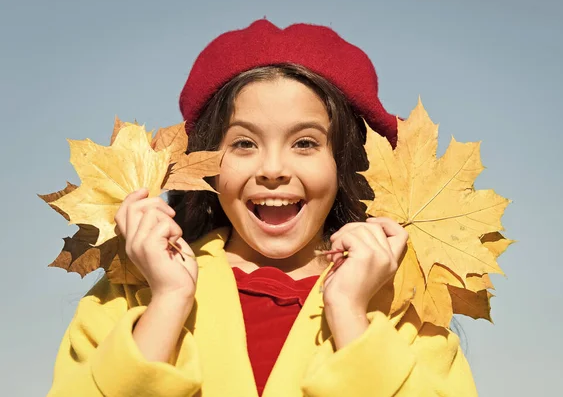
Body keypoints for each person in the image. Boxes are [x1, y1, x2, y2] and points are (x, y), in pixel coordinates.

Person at [48, 19, 478, 397]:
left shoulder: (403, 305)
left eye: (305, 143)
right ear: (207, 164)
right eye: (244, 144)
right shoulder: (132, 291)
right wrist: (169, 301)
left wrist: (349, 313)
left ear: (347, 162)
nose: (273, 169)